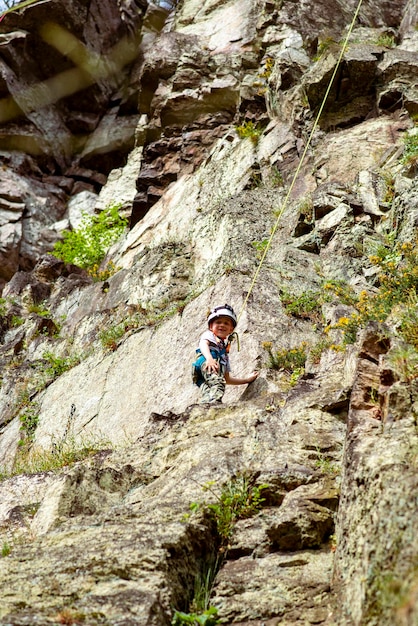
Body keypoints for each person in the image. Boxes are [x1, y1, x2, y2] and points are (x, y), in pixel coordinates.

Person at [193, 304, 259, 403]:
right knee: (218, 384)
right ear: (211, 326)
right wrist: (209, 359)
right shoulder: (209, 335)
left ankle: (203, 408)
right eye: (218, 322)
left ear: (231, 329)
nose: (222, 325)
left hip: (200, 373)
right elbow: (203, 344)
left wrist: (246, 380)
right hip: (206, 364)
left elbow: (227, 379)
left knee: (208, 391)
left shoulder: (223, 354)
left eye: (226, 323)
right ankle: (213, 406)